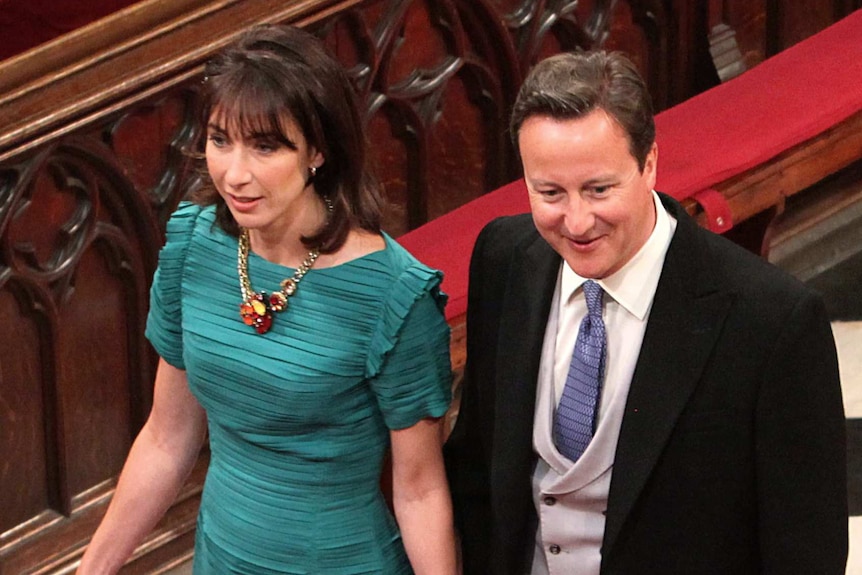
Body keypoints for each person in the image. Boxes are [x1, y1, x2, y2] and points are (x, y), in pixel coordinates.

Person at [443, 50, 848, 574]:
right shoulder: (502, 259)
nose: (577, 221)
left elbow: (804, 547)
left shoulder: (770, 320)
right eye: (549, 192)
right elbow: (478, 467)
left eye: (598, 189)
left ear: (650, 162)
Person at [78, 24, 457, 574]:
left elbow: (420, 493)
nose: (235, 174)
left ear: (318, 151)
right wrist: (92, 569)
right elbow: (167, 437)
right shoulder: (193, 244)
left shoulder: (394, 295)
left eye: (265, 146)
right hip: (221, 557)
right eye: (219, 140)